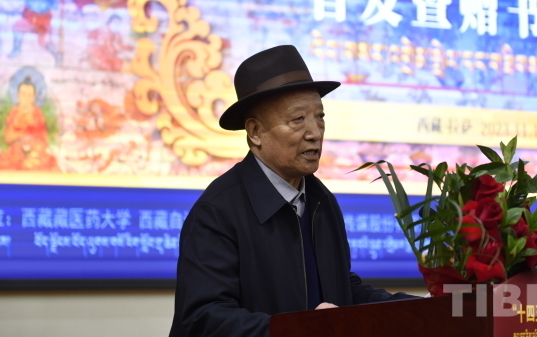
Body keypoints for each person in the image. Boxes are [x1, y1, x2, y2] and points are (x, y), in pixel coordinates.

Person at [169, 45, 413, 337]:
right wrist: (300, 330)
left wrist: (418, 307)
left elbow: (340, 290)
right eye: (298, 119)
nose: (315, 132)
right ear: (255, 132)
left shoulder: (321, 201)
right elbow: (204, 319)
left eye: (319, 117)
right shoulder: (217, 212)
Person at [0, 77, 58, 171]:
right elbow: (8, 137)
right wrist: (20, 132)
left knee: (48, 161)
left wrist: (32, 133)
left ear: (34, 97)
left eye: (29, 95)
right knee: (3, 160)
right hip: (16, 151)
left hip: (35, 150)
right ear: (18, 95)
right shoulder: (14, 112)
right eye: (23, 94)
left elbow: (43, 138)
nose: (26, 97)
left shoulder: (37, 113)